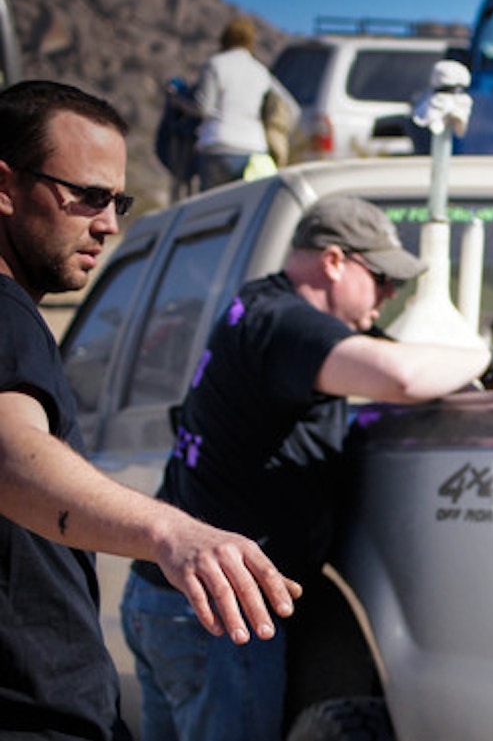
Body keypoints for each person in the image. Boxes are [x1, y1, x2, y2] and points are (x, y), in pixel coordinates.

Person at [120, 196, 493, 741]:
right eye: (383, 277)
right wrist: (479, 355)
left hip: (177, 598)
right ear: (335, 261)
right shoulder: (287, 323)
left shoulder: (261, 309)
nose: (392, 294)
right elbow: (403, 378)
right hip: (220, 613)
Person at [0, 79, 301, 740]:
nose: (108, 223)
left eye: (119, 200)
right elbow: (12, 454)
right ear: (4, 186)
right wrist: (174, 533)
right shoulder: (7, 316)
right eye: (86, 196)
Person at [192, 15, 296, 190]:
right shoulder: (261, 71)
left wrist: (177, 100)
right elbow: (290, 107)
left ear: (224, 39)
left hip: (218, 146)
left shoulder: (215, 64)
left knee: (213, 211)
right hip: (254, 150)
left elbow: (203, 107)